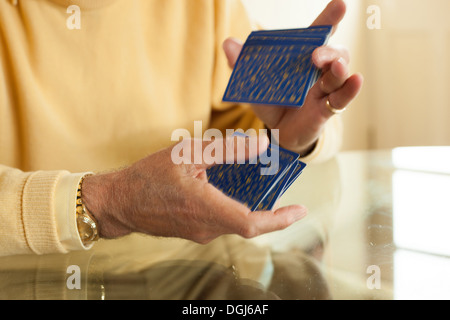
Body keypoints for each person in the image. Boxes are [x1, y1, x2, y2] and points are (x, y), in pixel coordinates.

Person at [0, 0, 363, 256]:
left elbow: (281, 130)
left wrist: (284, 138)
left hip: (194, 274)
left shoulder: (207, 6)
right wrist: (107, 204)